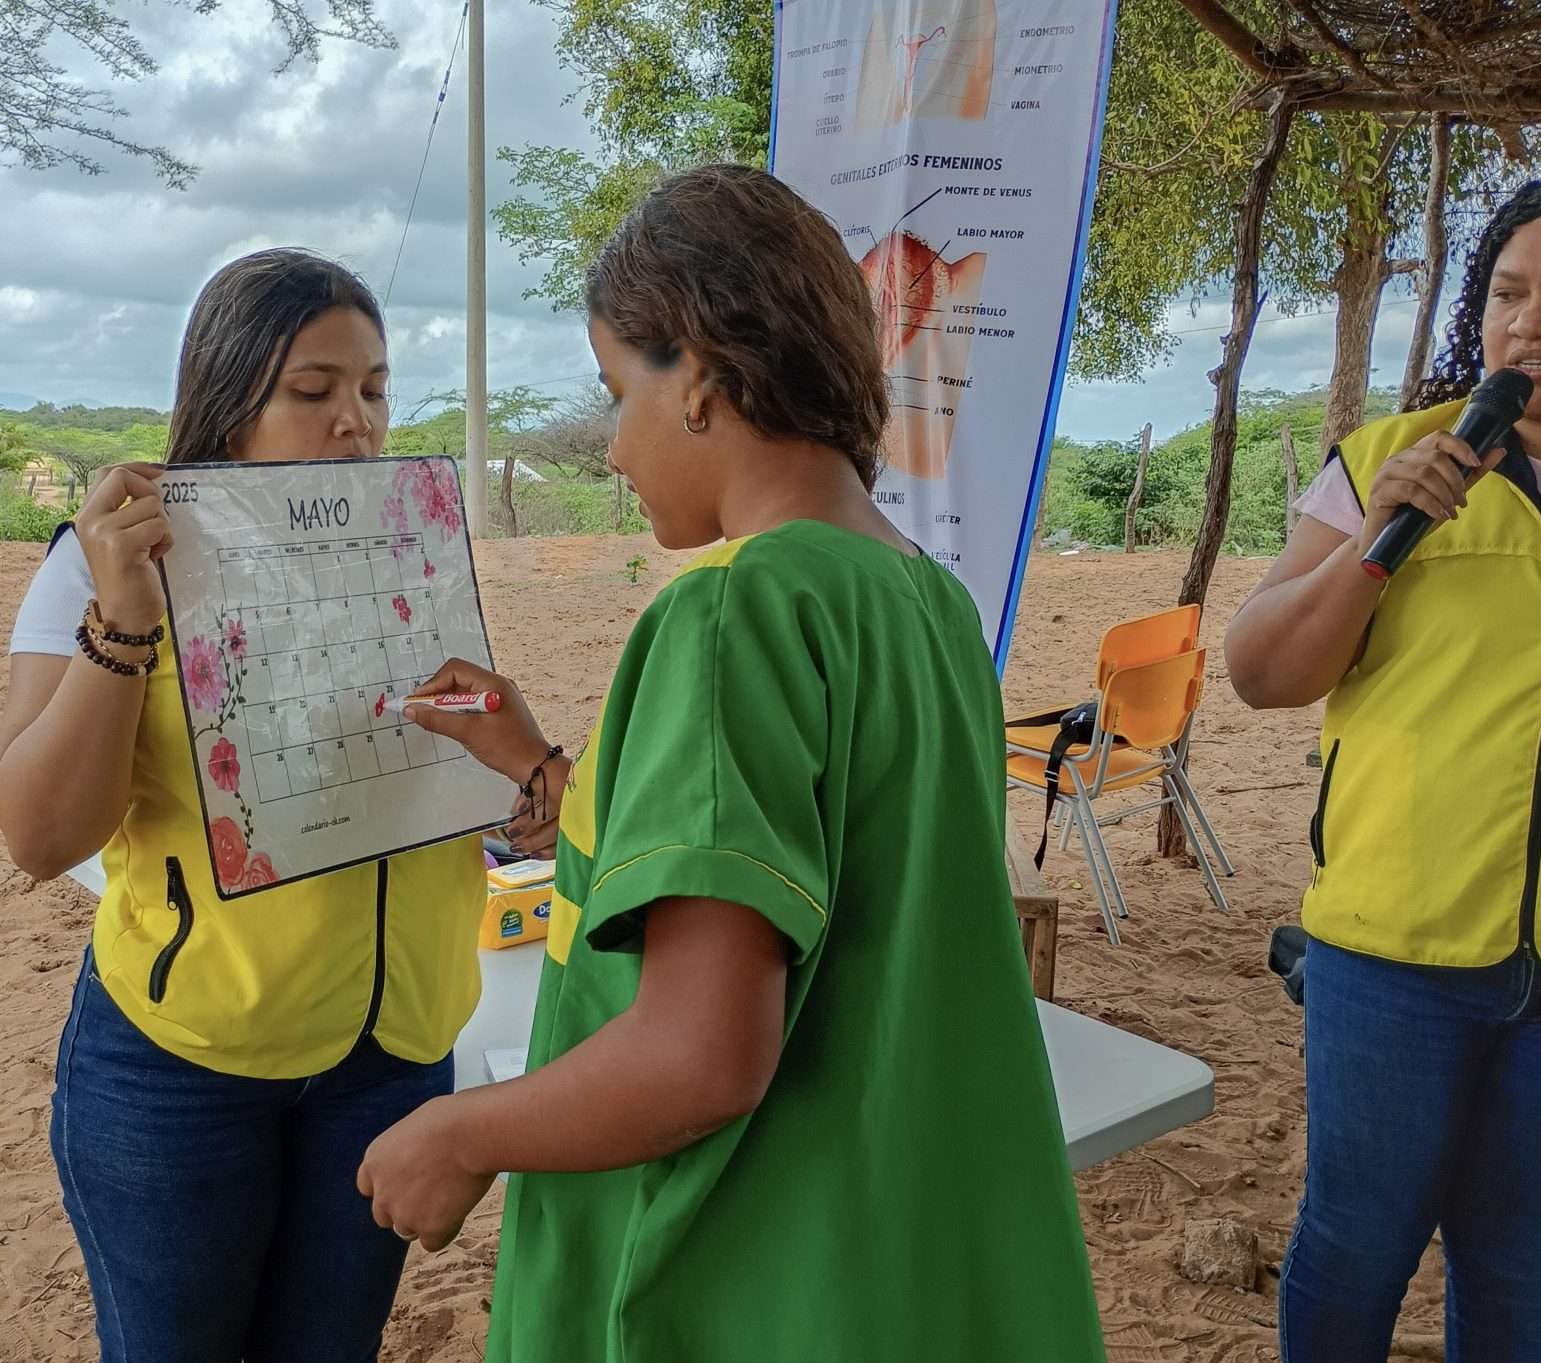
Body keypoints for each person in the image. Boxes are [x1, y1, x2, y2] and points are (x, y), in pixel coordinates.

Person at [354, 164, 1107, 1362]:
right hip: (900, 1257)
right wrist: (541, 765)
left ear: (698, 375)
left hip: (744, 1269)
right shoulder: (925, 601)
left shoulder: (729, 615)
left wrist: (460, 1132)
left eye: (617, 391)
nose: (613, 450)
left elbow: (699, 1054)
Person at [0, 249, 490, 1363]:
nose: (353, 421)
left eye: (373, 387)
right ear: (228, 398)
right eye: (312, 392)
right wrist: (124, 620)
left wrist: (512, 780)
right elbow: (38, 832)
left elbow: (445, 762)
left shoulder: (409, 548)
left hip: (395, 1053)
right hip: (182, 1066)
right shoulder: (104, 560)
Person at [1226, 166, 1541, 1362]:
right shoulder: (1392, 457)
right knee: (1354, 1239)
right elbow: (1261, 669)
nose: (1529, 320)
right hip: (1392, 950)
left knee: (1518, 1264)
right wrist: (1376, 547)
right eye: (1507, 290)